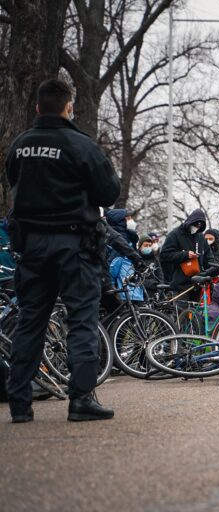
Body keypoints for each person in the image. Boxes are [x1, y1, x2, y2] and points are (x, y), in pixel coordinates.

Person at [5, 79, 121, 422]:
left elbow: (14, 181)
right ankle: (81, 399)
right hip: (74, 245)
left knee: (30, 322)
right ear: (69, 107)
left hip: (32, 247)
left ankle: (20, 404)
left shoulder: (20, 145)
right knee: (82, 320)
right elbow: (107, 192)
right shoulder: (81, 145)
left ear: (39, 107)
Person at [159, 209, 213, 296]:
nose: (197, 228)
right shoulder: (175, 234)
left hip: (197, 285)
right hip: (180, 286)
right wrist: (185, 255)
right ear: (190, 221)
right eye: (196, 225)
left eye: (200, 226)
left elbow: (209, 257)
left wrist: (212, 271)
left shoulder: (200, 237)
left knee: (197, 309)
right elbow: (164, 255)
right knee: (181, 309)